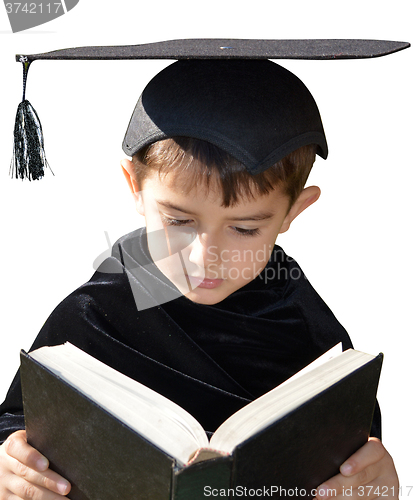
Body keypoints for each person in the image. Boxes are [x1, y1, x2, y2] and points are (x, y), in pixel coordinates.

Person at [0, 55, 399, 499]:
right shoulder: (92, 316)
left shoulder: (311, 336)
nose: (205, 257)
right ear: (135, 186)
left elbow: (353, 463)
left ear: (294, 211)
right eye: (179, 221)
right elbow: (18, 429)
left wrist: (372, 486)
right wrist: (13, 467)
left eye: (245, 229)